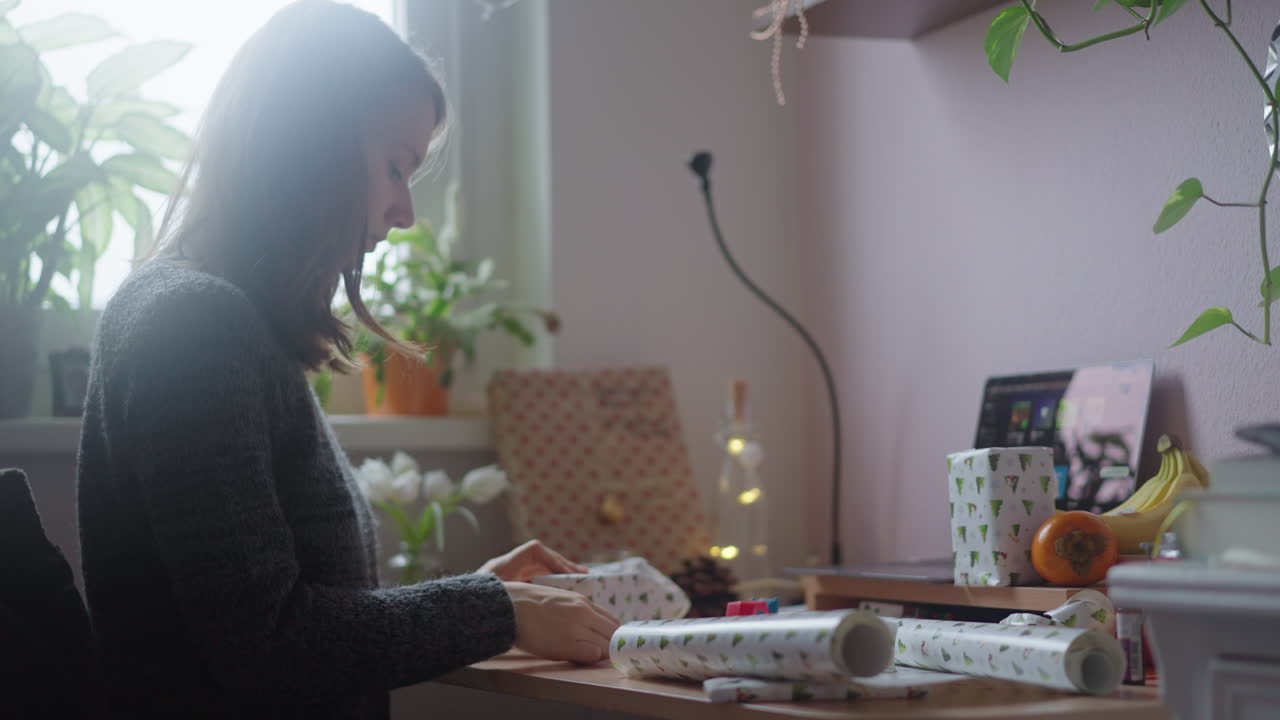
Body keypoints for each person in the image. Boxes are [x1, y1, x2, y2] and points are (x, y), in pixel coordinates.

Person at [75, 2, 618, 718]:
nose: (405, 213)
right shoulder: (194, 326)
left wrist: (484, 592)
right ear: (309, 144)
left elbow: (292, 611)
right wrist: (496, 609)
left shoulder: (220, 321)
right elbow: (272, 647)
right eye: (396, 166)